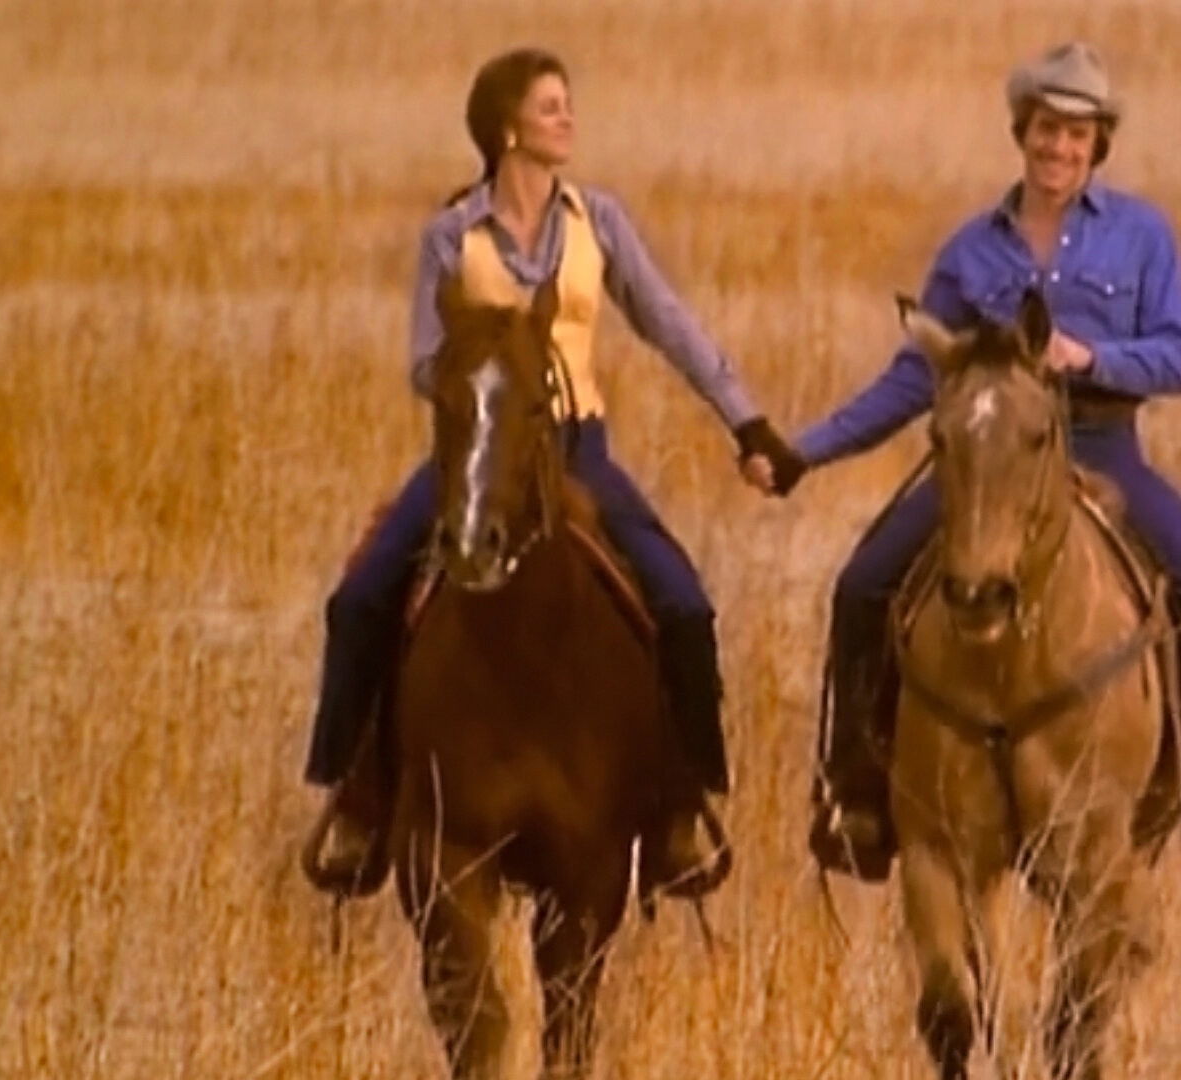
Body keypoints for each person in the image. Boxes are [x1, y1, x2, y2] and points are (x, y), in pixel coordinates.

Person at [747, 42, 1181, 896]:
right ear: (1021, 132)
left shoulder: (1143, 236)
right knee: (862, 584)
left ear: (1098, 143)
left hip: (1100, 448)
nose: (1058, 148)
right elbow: (913, 379)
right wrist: (805, 451)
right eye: (1045, 129)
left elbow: (1180, 357)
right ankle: (857, 791)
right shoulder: (970, 252)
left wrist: (1090, 357)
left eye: (1076, 133)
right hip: (986, 461)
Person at [303, 46, 807, 900]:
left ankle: (681, 806)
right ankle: (355, 801)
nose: (566, 118)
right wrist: (485, 368)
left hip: (578, 449)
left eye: (566, 104)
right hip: (479, 450)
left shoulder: (596, 221)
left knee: (682, 602)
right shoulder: (451, 235)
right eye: (548, 106)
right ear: (506, 129)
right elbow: (424, 362)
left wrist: (747, 421)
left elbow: (668, 322)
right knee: (361, 598)